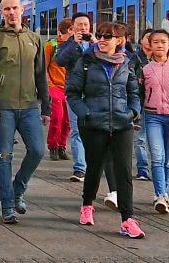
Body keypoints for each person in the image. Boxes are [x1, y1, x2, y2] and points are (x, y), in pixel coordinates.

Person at [65, 21, 145, 239]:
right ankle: (87, 204)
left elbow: (134, 92)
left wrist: (132, 112)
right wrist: (85, 113)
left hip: (122, 123)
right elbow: (72, 92)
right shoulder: (86, 62)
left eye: (107, 36)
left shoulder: (126, 63)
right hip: (94, 123)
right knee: (95, 167)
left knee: (123, 172)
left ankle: (127, 220)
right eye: (99, 35)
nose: (101, 39)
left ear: (119, 40)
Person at [0, 0, 50, 224]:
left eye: (15, 8)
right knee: (4, 156)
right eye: (7, 9)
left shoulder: (34, 39)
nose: (11, 12)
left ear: (22, 10)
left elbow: (40, 75)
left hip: (29, 106)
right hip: (3, 107)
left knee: (38, 150)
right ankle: (7, 205)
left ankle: (18, 188)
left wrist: (46, 106)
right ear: (2, 13)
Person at [140, 29, 169, 214]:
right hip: (151, 117)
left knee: (168, 160)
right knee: (157, 157)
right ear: (150, 46)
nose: (160, 45)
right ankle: (160, 195)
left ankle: (164, 193)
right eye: (156, 42)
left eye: (163, 42)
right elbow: (139, 93)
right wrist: (137, 116)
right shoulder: (144, 69)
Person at [55, 12, 93, 182]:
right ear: (73, 28)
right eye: (80, 25)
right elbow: (60, 61)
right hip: (75, 93)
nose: (83, 28)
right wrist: (74, 44)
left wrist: (95, 44)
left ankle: (93, 165)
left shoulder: (96, 44)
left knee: (94, 130)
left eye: (86, 24)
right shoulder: (67, 44)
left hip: (94, 93)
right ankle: (79, 168)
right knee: (76, 130)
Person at [46, 17, 73, 161]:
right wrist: (49, 84)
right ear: (69, 30)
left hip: (70, 87)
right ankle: (53, 146)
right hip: (55, 86)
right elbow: (43, 67)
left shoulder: (77, 45)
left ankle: (62, 145)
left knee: (67, 120)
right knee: (57, 117)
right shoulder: (51, 45)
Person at [130, 29, 153, 181]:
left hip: (157, 105)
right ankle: (142, 169)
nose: (151, 40)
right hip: (141, 103)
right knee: (140, 139)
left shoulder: (162, 59)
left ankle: (159, 169)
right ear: (141, 41)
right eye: (148, 37)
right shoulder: (135, 58)